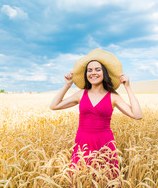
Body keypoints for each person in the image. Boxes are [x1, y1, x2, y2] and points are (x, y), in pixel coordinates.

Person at [50, 48, 142, 178]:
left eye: (98, 69)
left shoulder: (113, 96)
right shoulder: (81, 94)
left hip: (104, 144)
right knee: (80, 182)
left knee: (107, 181)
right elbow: (54, 106)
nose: (93, 73)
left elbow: (137, 115)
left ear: (104, 73)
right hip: (83, 144)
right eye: (90, 70)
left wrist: (127, 87)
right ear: (86, 74)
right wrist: (67, 85)